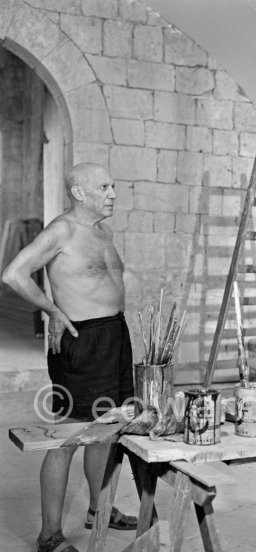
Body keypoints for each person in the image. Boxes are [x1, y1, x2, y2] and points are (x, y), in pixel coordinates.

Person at [2, 163, 137, 552]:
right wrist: (52, 310)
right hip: (82, 341)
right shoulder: (62, 230)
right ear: (79, 193)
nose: (113, 193)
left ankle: (100, 508)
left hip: (114, 336)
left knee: (107, 429)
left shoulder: (103, 231)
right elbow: (14, 274)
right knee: (67, 437)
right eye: (104, 187)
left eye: (113, 185)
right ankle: (49, 536)